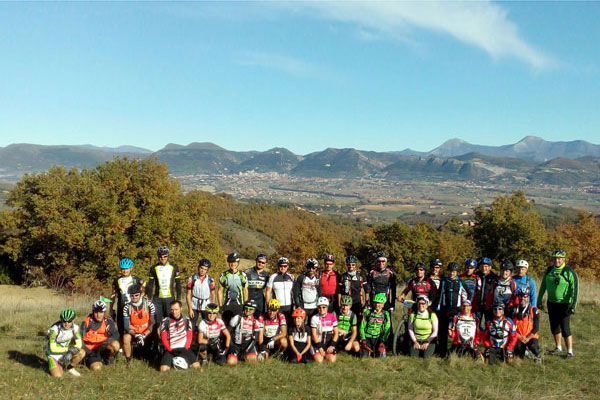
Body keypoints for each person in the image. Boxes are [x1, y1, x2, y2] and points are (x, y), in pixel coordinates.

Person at [538, 249, 578, 359]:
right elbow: (543, 286)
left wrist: (573, 306)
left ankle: (570, 351)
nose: (557, 260)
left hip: (565, 304)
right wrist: (539, 299)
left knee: (565, 328)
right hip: (552, 303)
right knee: (554, 327)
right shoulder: (549, 270)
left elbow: (575, 290)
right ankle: (558, 347)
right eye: (555, 258)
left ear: (563, 259)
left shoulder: (569, 271)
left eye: (559, 258)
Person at [436, 262, 468, 357]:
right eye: (450, 271)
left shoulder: (461, 282)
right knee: (442, 331)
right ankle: (442, 352)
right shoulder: (444, 281)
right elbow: (439, 294)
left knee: (457, 332)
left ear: (457, 272)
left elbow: (468, 294)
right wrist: (438, 306)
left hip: (456, 310)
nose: (452, 273)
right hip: (444, 309)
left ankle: (457, 351)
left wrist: (465, 305)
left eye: (454, 272)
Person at [146, 246, 182, 332]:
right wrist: (149, 297)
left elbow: (178, 284)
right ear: (158, 257)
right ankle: (156, 343)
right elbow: (150, 284)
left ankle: (170, 343)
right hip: (157, 299)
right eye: (161, 256)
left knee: (170, 321)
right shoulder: (153, 268)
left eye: (165, 256)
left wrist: (178, 298)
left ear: (168, 256)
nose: (163, 258)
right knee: (156, 322)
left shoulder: (174, 267)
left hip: (170, 298)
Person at [159, 300, 199, 372]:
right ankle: (173, 362)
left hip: (184, 348)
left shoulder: (186, 320)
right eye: (172, 310)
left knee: (196, 366)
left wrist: (186, 347)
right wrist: (169, 349)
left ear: (181, 309)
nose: (174, 312)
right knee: (163, 369)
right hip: (171, 349)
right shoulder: (165, 321)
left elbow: (190, 336)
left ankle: (182, 362)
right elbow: (164, 338)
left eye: (176, 309)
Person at [81, 300, 120, 371]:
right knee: (97, 368)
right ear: (93, 312)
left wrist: (106, 342)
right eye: (96, 312)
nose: (98, 315)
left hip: (102, 348)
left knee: (115, 344)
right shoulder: (86, 322)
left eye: (101, 312)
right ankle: (93, 361)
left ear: (104, 312)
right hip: (91, 351)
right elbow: (80, 341)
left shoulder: (108, 322)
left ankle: (108, 359)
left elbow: (116, 335)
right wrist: (89, 352)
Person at [122, 284, 155, 365]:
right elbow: (126, 326)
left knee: (157, 331)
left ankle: (155, 355)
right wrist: (136, 335)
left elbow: (153, 323)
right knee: (126, 337)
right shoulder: (127, 307)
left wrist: (144, 334)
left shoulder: (149, 305)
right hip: (134, 332)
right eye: (132, 296)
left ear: (141, 294)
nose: (134, 297)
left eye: (136, 295)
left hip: (147, 331)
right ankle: (128, 360)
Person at [110, 257, 144, 336]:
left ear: (131, 268)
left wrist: (140, 301)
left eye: (127, 269)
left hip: (134, 309)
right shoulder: (116, 280)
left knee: (134, 329)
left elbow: (144, 291)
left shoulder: (136, 280)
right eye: (123, 269)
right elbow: (113, 295)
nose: (125, 271)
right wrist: (111, 308)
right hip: (121, 308)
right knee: (122, 331)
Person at [46, 309, 85, 378]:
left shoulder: (75, 328)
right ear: (61, 320)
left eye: (69, 321)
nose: (66, 324)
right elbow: (53, 348)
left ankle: (69, 368)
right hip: (53, 354)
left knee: (82, 352)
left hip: (65, 352)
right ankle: (57, 364)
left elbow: (79, 344)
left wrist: (70, 352)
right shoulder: (54, 330)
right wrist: (68, 350)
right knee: (58, 375)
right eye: (64, 321)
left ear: (73, 320)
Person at [227, 300, 263, 364]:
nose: (248, 310)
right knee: (231, 362)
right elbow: (228, 332)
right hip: (236, 345)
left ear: (254, 310)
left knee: (252, 361)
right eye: (246, 308)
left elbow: (254, 340)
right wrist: (231, 346)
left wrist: (247, 350)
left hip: (248, 345)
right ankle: (237, 356)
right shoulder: (237, 318)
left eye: (250, 309)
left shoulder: (256, 322)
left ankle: (244, 356)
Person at [511, 288, 542, 363]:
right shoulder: (513, 310)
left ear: (528, 297)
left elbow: (536, 328)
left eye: (525, 296)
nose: (522, 298)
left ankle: (537, 355)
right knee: (518, 354)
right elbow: (510, 327)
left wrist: (528, 338)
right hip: (518, 336)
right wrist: (519, 337)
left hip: (530, 336)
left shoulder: (533, 310)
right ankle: (526, 352)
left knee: (533, 346)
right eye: (521, 296)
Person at [186, 258, 216, 327]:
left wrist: (212, 307)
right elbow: (188, 294)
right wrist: (190, 309)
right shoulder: (192, 279)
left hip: (206, 305)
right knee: (191, 325)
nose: (203, 271)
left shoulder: (210, 280)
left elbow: (213, 294)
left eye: (205, 269)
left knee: (207, 325)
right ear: (198, 267)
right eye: (201, 268)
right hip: (194, 304)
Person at [218, 252, 248, 320]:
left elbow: (245, 290)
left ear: (238, 263)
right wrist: (220, 306)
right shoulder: (224, 275)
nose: (233, 264)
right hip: (227, 305)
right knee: (226, 327)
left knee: (238, 327)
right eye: (231, 262)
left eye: (234, 262)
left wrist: (245, 304)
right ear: (228, 263)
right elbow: (220, 291)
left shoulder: (243, 275)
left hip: (240, 305)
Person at [360, 293, 391, 358]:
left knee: (380, 357)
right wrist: (363, 339)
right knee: (364, 357)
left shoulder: (385, 314)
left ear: (383, 304)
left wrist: (383, 340)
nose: (377, 305)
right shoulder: (368, 312)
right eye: (376, 302)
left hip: (378, 337)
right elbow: (362, 326)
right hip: (367, 337)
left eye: (379, 303)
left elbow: (387, 327)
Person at [310, 297, 339, 363]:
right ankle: (317, 353)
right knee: (319, 361)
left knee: (332, 360)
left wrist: (332, 345)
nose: (321, 309)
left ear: (327, 307)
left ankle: (326, 353)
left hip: (328, 344)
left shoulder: (332, 317)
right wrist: (320, 347)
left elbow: (336, 333)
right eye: (319, 307)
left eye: (324, 307)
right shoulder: (314, 318)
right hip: (317, 343)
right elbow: (314, 335)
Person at [265, 257, 295, 321]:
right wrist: (269, 306)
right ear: (278, 266)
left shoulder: (291, 277)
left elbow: (294, 292)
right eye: (281, 266)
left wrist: (295, 304)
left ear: (288, 266)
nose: (283, 268)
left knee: (289, 326)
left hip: (290, 306)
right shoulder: (273, 277)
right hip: (277, 307)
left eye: (285, 266)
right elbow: (268, 292)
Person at [244, 254, 271, 318]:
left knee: (260, 320)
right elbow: (243, 289)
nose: (260, 264)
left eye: (263, 262)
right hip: (249, 299)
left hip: (260, 301)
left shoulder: (267, 275)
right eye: (259, 261)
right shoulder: (247, 272)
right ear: (256, 261)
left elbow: (268, 291)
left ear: (265, 264)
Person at [476, 257, 497, 328]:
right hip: (477, 305)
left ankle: (487, 339)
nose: (484, 268)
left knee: (489, 325)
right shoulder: (476, 276)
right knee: (476, 324)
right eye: (482, 266)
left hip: (489, 306)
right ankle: (477, 339)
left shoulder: (494, 278)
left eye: (486, 266)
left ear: (490, 267)